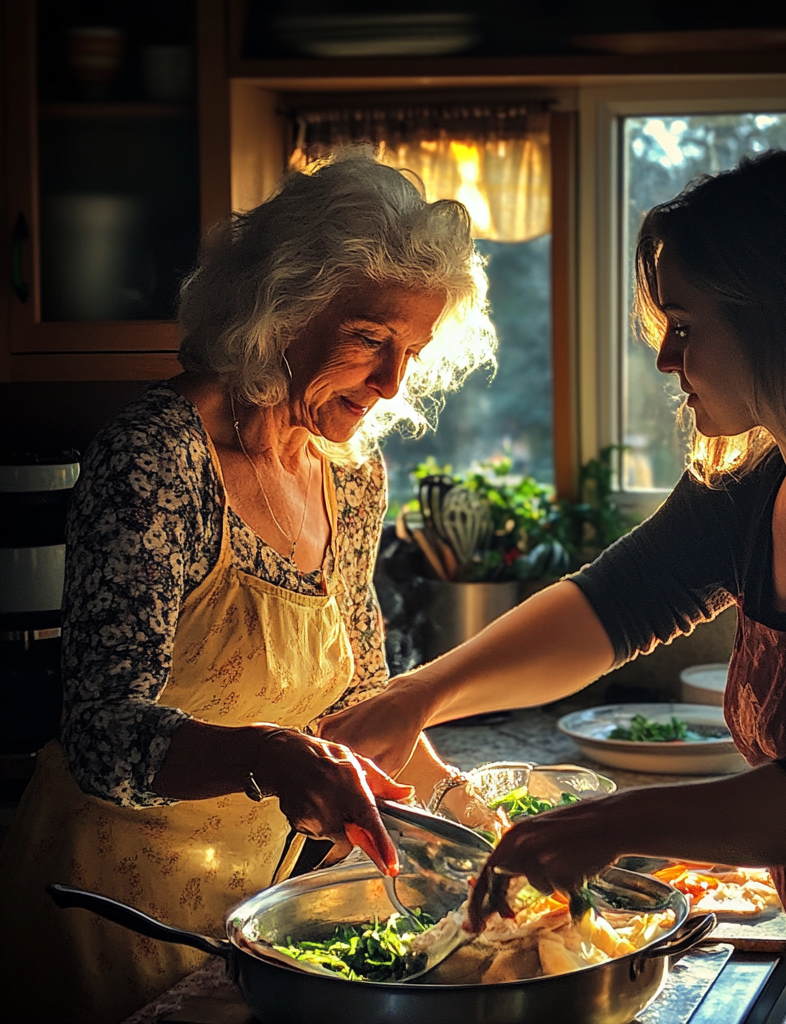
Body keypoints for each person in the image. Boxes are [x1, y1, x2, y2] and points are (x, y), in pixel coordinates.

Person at [328, 150, 786, 1022]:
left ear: (783, 319)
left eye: (686, 324)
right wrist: (420, 696)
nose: (664, 358)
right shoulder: (757, 485)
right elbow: (607, 608)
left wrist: (602, 827)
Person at [0, 151, 500, 1023]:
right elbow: (102, 736)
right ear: (283, 307)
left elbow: (358, 703)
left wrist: (479, 822)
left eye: (412, 351)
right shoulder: (158, 456)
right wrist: (268, 755)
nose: (392, 384)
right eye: (370, 339)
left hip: (241, 921)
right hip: (92, 914)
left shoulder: (350, 474)